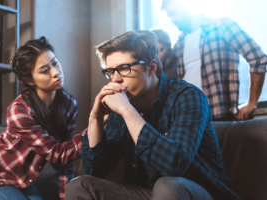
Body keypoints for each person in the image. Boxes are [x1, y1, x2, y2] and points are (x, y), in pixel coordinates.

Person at [64, 30, 242, 200]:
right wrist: (95, 118)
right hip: (150, 194)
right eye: (111, 72)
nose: (115, 79)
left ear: (151, 67)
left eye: (124, 68)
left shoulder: (188, 96)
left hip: (198, 193)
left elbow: (174, 165)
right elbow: (97, 169)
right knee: (79, 186)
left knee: (167, 186)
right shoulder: (122, 109)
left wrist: (127, 111)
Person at [0, 37, 84, 200]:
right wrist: (95, 127)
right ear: (29, 80)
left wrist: (66, 195)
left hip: (18, 177)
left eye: (55, 63)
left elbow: (65, 160)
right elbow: (58, 154)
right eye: (44, 70)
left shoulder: (69, 105)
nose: (55, 72)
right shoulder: (19, 110)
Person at [162, 0, 266, 121]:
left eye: (174, 13)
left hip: (216, 117)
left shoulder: (221, 26)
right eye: (169, 16)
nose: (172, 20)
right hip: (186, 119)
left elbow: (258, 58)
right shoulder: (179, 44)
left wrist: (252, 103)